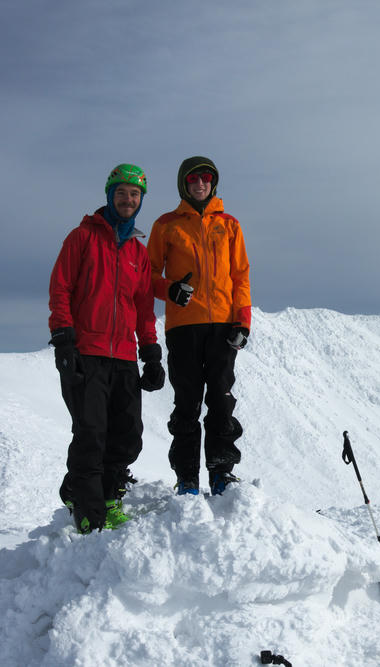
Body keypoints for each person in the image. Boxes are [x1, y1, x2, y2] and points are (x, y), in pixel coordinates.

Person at [48, 163, 166, 533]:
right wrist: (64, 338)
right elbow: (61, 288)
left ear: (140, 200)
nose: (128, 199)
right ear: (109, 195)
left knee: (127, 434)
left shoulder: (138, 251)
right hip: (86, 352)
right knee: (91, 433)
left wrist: (151, 353)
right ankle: (88, 508)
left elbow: (143, 307)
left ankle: (108, 495)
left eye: (134, 194)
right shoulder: (82, 237)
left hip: (124, 357)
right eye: (121, 192)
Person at [147, 155, 251, 496]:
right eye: (193, 179)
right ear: (184, 185)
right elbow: (147, 277)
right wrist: (170, 290)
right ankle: (187, 478)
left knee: (221, 400)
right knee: (187, 402)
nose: (200, 183)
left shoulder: (230, 225)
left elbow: (240, 277)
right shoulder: (166, 225)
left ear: (214, 183)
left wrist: (243, 322)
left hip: (222, 326)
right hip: (183, 327)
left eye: (206, 177)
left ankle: (221, 472)